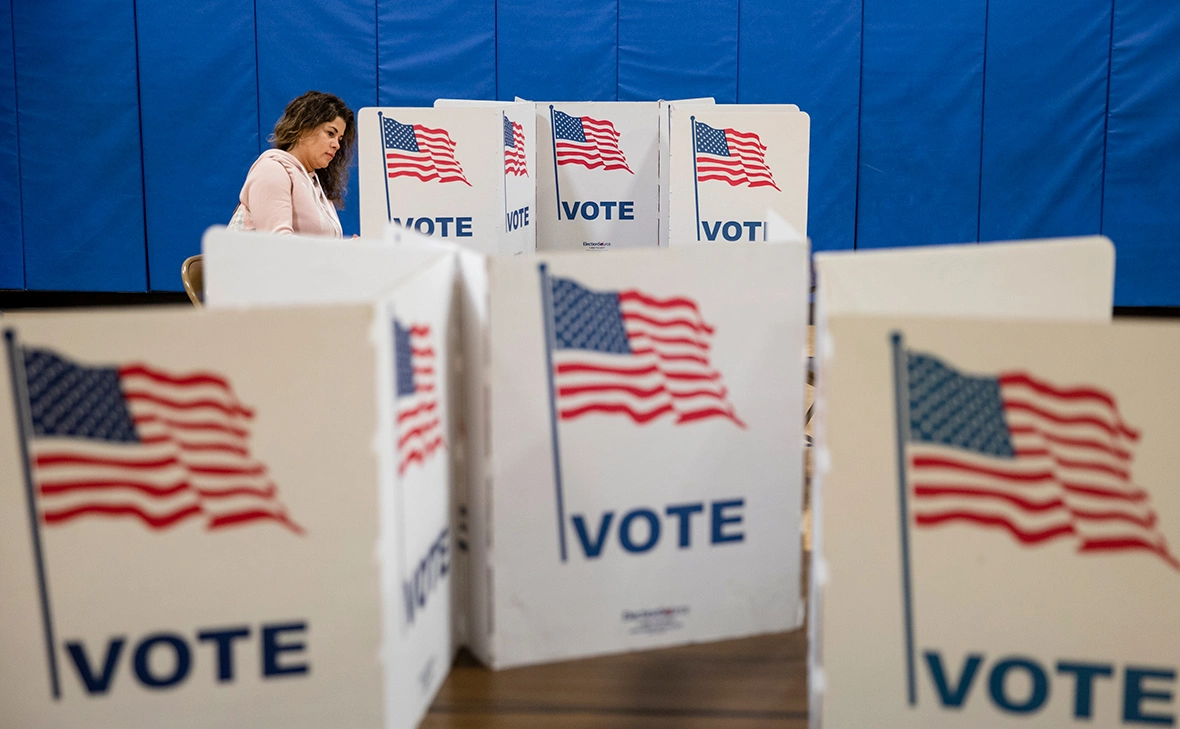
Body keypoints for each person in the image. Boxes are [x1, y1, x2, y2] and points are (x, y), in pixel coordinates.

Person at [230, 91, 355, 237]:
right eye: (330, 133)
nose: (336, 145)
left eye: (339, 139)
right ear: (304, 128)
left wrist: (350, 247)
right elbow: (278, 244)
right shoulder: (272, 169)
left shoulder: (316, 185)